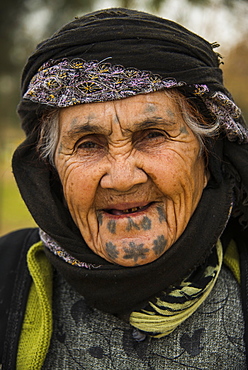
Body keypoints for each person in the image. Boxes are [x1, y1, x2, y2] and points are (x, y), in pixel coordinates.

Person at [1, 7, 248, 369]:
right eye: (87, 144)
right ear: (52, 168)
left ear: (207, 157)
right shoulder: (6, 275)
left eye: (153, 135)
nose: (122, 177)